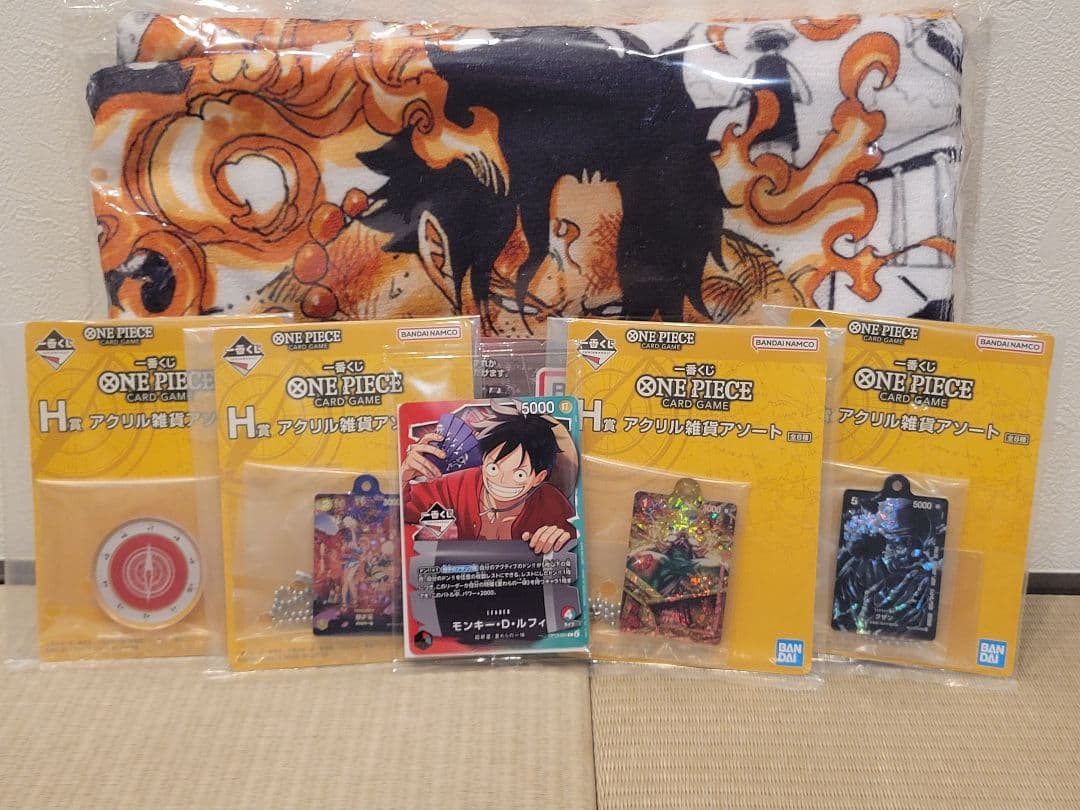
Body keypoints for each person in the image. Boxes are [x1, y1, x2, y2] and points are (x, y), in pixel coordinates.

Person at [402, 405, 576, 553]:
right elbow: (404, 513)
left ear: (538, 478)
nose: (501, 480)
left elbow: (574, 540)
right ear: (483, 460)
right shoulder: (458, 486)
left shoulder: (551, 504)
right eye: (493, 468)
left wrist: (560, 538)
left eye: (519, 475)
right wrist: (403, 477)